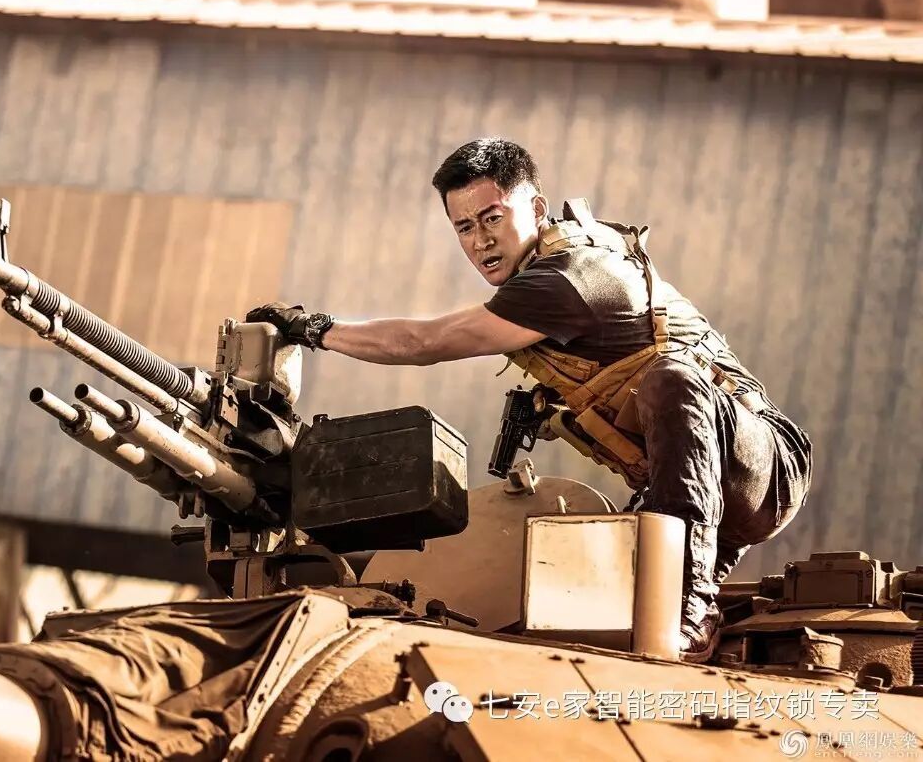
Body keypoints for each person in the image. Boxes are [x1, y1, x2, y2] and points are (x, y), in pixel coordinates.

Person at [247, 137, 812, 661]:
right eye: (464, 227)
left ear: (537, 209)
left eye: (493, 218)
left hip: (765, 465)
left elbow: (423, 342)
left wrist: (317, 329)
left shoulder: (567, 277)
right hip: (703, 489)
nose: (481, 240)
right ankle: (684, 590)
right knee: (603, 593)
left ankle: (689, 604)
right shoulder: (543, 281)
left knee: (671, 379)